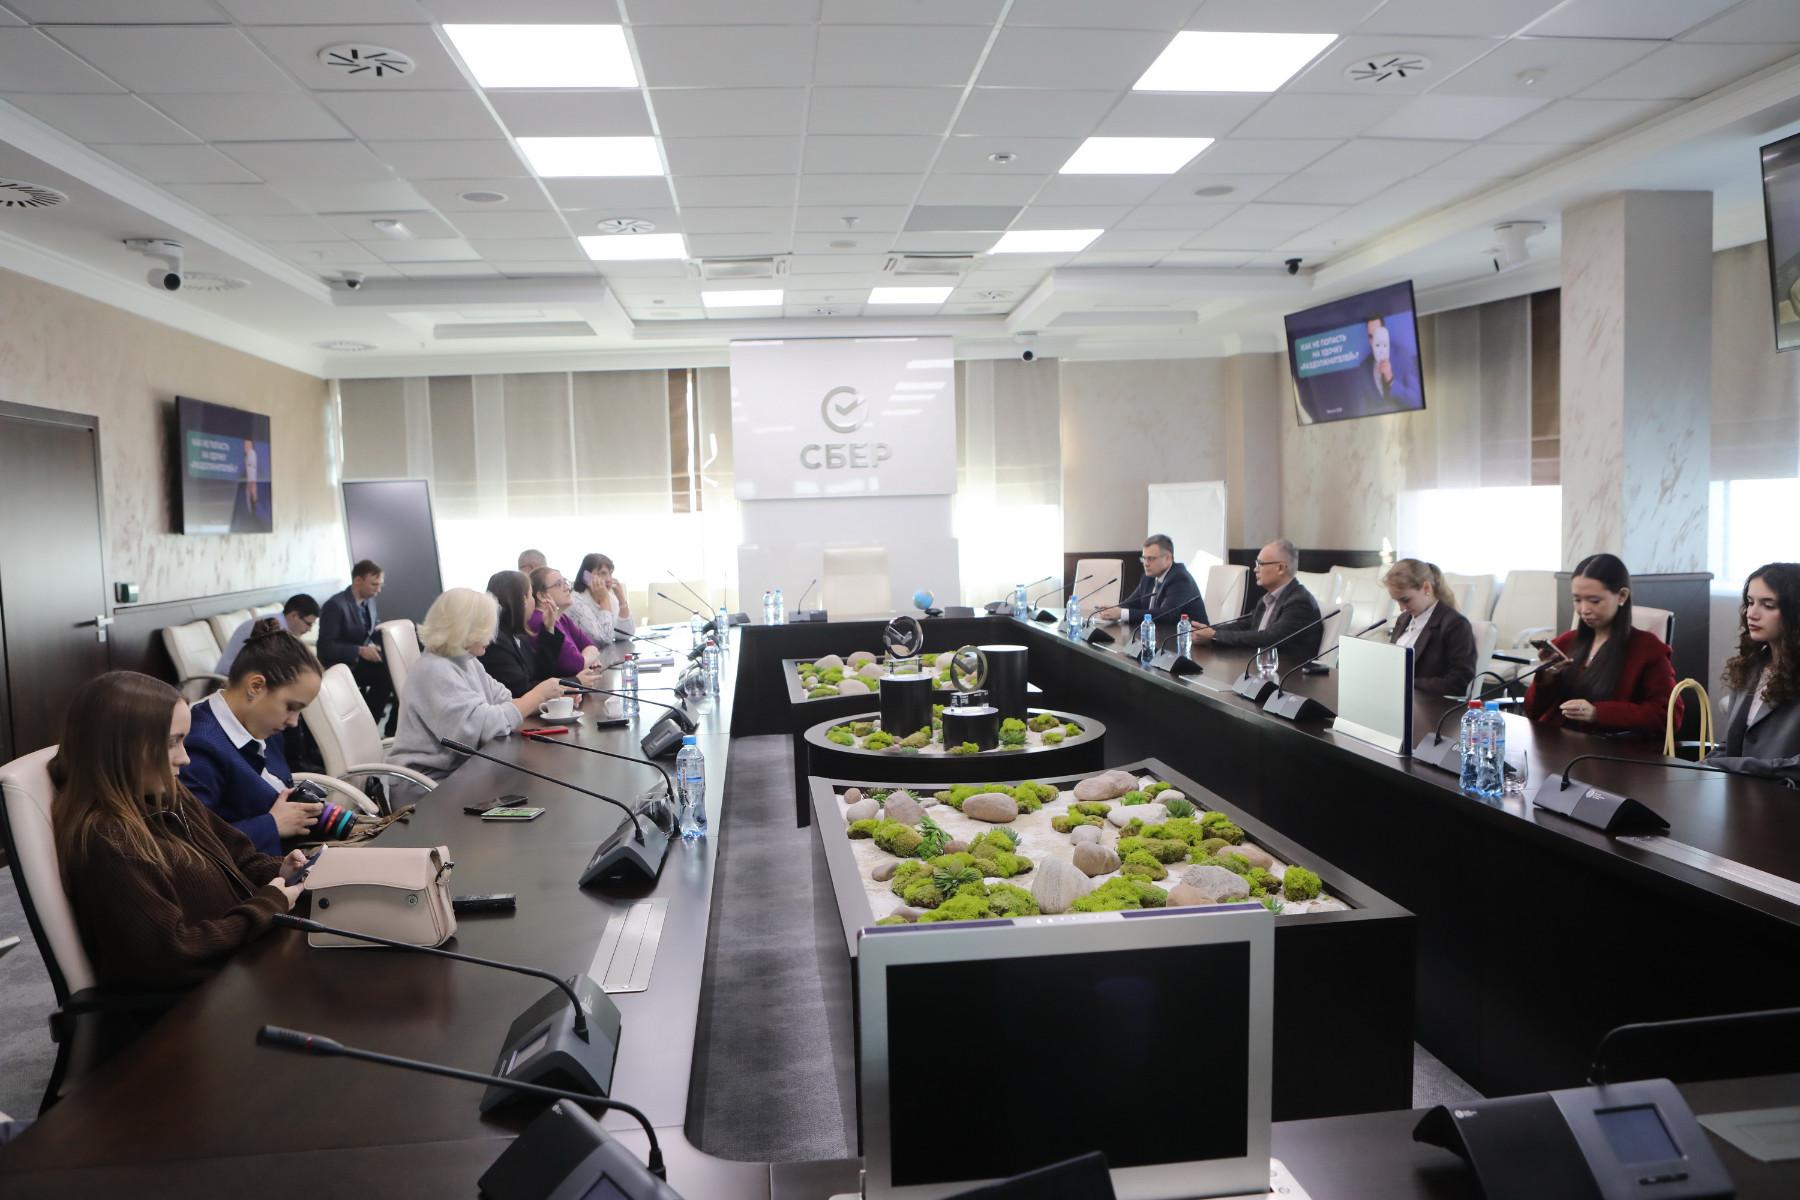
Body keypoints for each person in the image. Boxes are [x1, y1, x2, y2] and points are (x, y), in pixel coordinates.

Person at [51, 671, 305, 992]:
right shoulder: (109, 840)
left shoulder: (167, 793)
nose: (184, 758)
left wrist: (281, 871)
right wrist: (268, 905)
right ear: (119, 748)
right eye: (172, 743)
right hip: (197, 1001)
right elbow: (171, 956)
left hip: (240, 962)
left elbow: (238, 856)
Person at [389, 588, 571, 780]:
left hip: (459, 770)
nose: (491, 637)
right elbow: (481, 729)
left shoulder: (466, 660)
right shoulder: (434, 670)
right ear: (463, 629)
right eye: (485, 628)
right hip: (430, 782)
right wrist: (537, 695)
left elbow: (503, 700)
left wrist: (548, 701)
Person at [181, 620, 326, 855]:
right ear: (256, 686)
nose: (293, 722)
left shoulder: (262, 725)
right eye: (291, 707)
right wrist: (272, 825)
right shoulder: (198, 746)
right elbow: (193, 844)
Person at [1524, 553, 1679, 735]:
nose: (1584, 610)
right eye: (1577, 600)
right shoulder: (1565, 642)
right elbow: (1532, 711)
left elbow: (1669, 716)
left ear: (1622, 596)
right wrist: (1547, 679)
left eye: (1594, 601)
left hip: (1610, 748)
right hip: (1555, 744)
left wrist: (1598, 713)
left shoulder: (1647, 649)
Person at [1710, 562, 1800, 783]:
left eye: (1768, 605)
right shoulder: (1751, 667)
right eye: (1750, 603)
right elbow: (1728, 747)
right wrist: (1695, 770)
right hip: (1740, 794)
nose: (1752, 613)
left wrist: (1738, 766)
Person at [1191, 538, 1323, 662]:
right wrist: (1208, 631)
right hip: (1261, 666)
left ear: (1280, 568)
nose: (1255, 569)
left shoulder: (1300, 602)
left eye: (1260, 564)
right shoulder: (1268, 598)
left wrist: (1214, 635)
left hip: (1288, 673)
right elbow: (1244, 625)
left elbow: (1269, 638)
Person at [317, 560, 393, 734]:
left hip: (361, 660)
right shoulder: (335, 606)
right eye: (374, 584)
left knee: (395, 669)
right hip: (341, 664)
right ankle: (367, 728)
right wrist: (360, 650)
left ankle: (390, 729)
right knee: (385, 676)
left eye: (380, 585)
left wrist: (377, 644)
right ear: (358, 580)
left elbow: (372, 629)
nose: (378, 590)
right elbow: (325, 647)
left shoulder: (369, 601)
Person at [1384, 558, 1477, 697]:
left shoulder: (1456, 625)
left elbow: (1460, 682)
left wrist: (1408, 683)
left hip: (1429, 705)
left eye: (1406, 600)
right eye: (1397, 601)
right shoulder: (1403, 619)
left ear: (1427, 588)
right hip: (1398, 697)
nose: (1402, 608)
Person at [479, 569, 577, 698]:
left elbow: (541, 673)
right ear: (523, 600)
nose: (534, 601)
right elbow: (523, 690)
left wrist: (549, 628)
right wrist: (577, 682)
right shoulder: (496, 642)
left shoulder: (518, 636)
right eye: (531, 595)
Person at [1096, 534, 1206, 627]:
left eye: (1151, 558)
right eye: (1144, 558)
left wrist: (1122, 613)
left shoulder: (1180, 578)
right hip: (1160, 635)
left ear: (1167, 558)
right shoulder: (1148, 577)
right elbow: (1131, 603)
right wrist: (1112, 610)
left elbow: (1166, 615)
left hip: (1191, 640)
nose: (1146, 563)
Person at [526, 566, 604, 677]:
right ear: (542, 596)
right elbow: (575, 665)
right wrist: (589, 659)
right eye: (558, 584)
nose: (567, 588)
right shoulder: (541, 621)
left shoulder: (561, 617)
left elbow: (590, 645)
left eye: (565, 582)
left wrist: (586, 658)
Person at [215, 593, 319, 676]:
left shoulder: (280, 625)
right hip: (227, 682)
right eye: (308, 624)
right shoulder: (270, 627)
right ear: (294, 615)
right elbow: (270, 667)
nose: (309, 629)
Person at [567, 553, 632, 645]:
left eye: (610, 573)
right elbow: (604, 639)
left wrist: (621, 600)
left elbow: (625, 634)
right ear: (586, 576)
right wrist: (604, 600)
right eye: (603, 573)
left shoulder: (611, 597)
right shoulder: (575, 601)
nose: (609, 579)